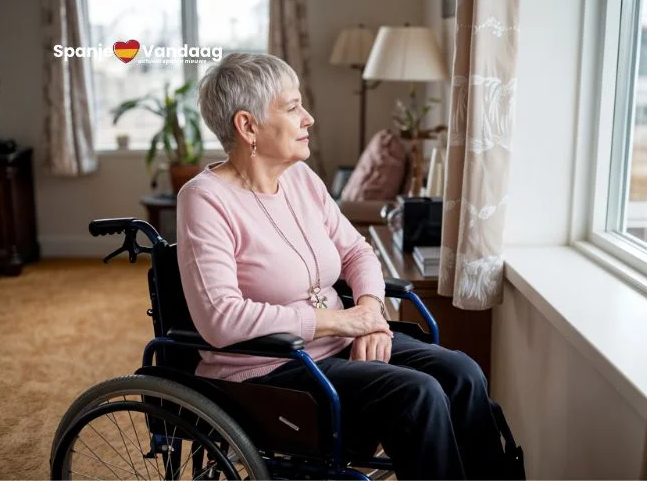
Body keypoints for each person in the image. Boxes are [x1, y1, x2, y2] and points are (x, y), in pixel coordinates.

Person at [176, 52, 507, 479]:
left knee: (462, 372)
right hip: (271, 368)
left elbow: (357, 251)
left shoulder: (301, 178)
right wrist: (341, 322)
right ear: (248, 126)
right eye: (293, 107)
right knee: (418, 393)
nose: (308, 117)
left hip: (338, 345)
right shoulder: (204, 199)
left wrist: (370, 314)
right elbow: (221, 319)